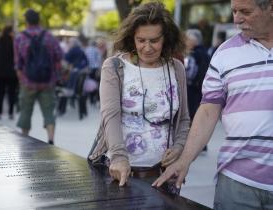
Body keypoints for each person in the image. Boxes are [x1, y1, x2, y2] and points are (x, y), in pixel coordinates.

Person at [153, 0, 273, 209]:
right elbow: (209, 110)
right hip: (237, 181)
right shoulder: (224, 53)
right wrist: (185, 159)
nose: (236, 19)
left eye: (245, 11)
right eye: (234, 11)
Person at [88, 2, 190, 188]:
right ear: (132, 38)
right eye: (141, 40)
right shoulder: (115, 67)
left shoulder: (177, 69)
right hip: (120, 173)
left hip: (163, 174)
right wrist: (119, 157)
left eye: (154, 40)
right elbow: (110, 116)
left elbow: (183, 118)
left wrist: (179, 148)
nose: (147, 47)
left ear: (166, 38)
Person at [14, 9, 63, 145]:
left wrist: (21, 80)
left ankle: (24, 138)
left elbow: (18, 63)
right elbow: (59, 57)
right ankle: (51, 139)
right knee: (48, 112)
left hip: (27, 81)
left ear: (26, 21)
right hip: (47, 81)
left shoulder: (20, 37)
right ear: (39, 20)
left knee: (25, 111)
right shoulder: (49, 36)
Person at [184, 29, 210, 151]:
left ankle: (195, 144)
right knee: (199, 117)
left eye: (188, 40)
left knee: (192, 116)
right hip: (203, 89)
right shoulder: (205, 53)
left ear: (194, 41)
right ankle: (202, 144)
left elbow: (190, 73)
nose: (186, 42)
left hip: (194, 89)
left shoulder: (194, 54)